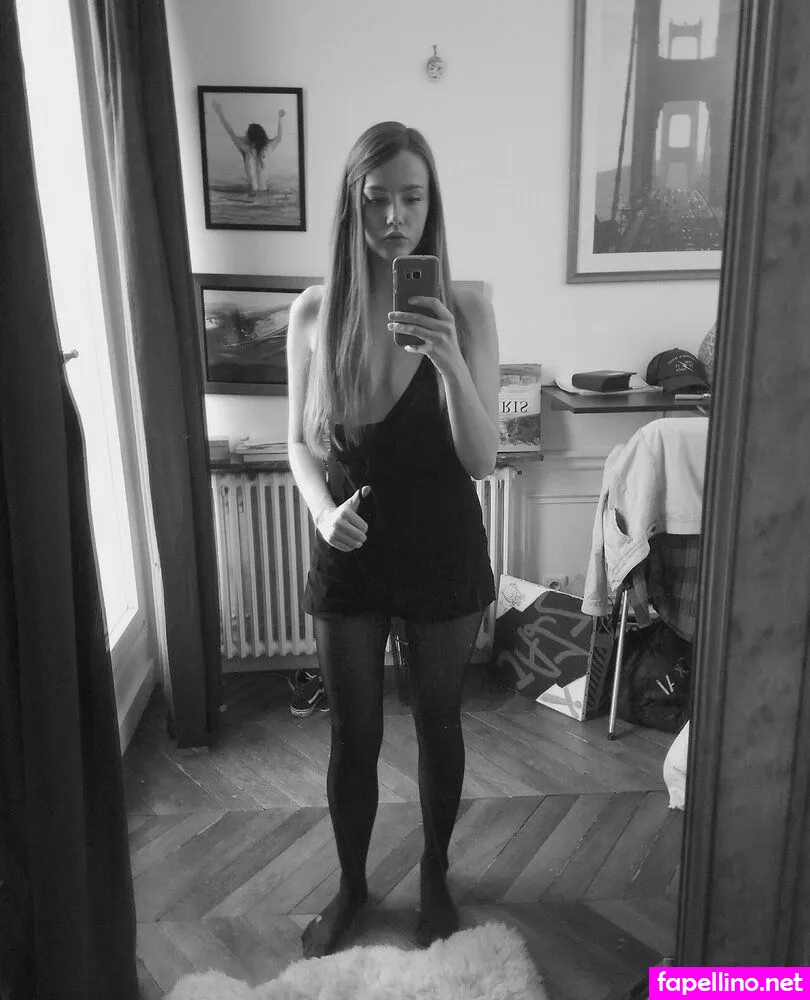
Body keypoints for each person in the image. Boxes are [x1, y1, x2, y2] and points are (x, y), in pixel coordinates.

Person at [286, 121, 500, 958]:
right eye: (377, 200)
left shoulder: (467, 308)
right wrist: (319, 513)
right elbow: (297, 443)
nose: (394, 218)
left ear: (430, 203)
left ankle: (436, 874)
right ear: (353, 205)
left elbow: (482, 459)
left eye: (411, 198)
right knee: (354, 737)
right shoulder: (314, 312)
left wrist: (448, 360)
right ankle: (352, 885)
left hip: (443, 549)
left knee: (439, 724)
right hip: (349, 552)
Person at [211, 99, 285, 195]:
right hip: (264, 192)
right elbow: (279, 138)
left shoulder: (246, 149)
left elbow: (230, 132)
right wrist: (280, 119)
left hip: (252, 193)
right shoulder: (267, 149)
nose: (245, 134)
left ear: (250, 136)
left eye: (247, 133)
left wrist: (219, 113)